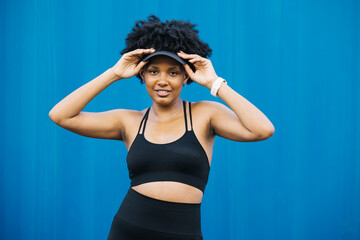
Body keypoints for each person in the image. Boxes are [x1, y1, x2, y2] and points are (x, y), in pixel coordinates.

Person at [49, 15, 275, 240]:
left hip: (183, 233)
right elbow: (61, 115)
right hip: (128, 230)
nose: (162, 80)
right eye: (153, 71)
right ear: (142, 75)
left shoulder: (206, 114)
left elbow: (262, 129)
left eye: (174, 72)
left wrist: (214, 82)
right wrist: (114, 73)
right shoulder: (129, 121)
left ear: (186, 77)